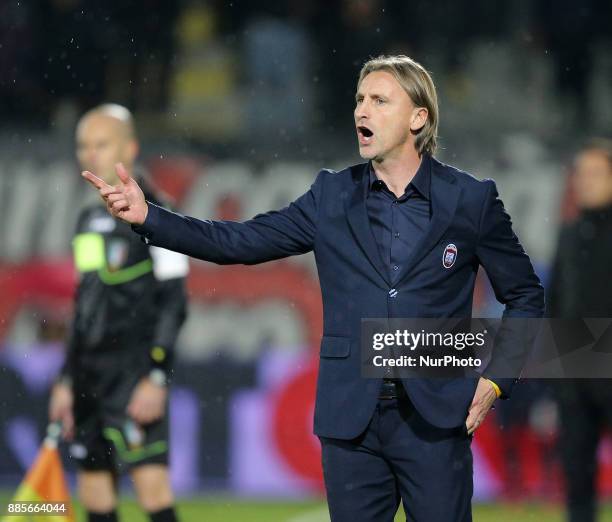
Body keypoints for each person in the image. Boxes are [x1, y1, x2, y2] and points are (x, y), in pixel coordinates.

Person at [83, 56, 544, 521]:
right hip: (351, 422)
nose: (362, 111)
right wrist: (151, 219)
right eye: (360, 99)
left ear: (418, 118)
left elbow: (526, 295)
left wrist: (497, 380)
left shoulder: (470, 199)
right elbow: (239, 241)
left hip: (435, 419)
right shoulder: (331, 195)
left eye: (380, 101)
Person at [49, 104, 189, 522]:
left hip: (133, 372)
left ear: (129, 147)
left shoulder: (159, 215)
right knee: (94, 494)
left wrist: (156, 375)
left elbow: (174, 301)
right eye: (83, 145)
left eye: (101, 143)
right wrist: (66, 379)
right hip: (89, 376)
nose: (89, 154)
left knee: (152, 492)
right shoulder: (88, 218)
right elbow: (85, 301)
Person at [548, 139, 612, 522]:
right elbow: (555, 304)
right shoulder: (569, 234)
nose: (586, 182)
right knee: (577, 478)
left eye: (596, 173)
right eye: (581, 174)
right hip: (576, 374)